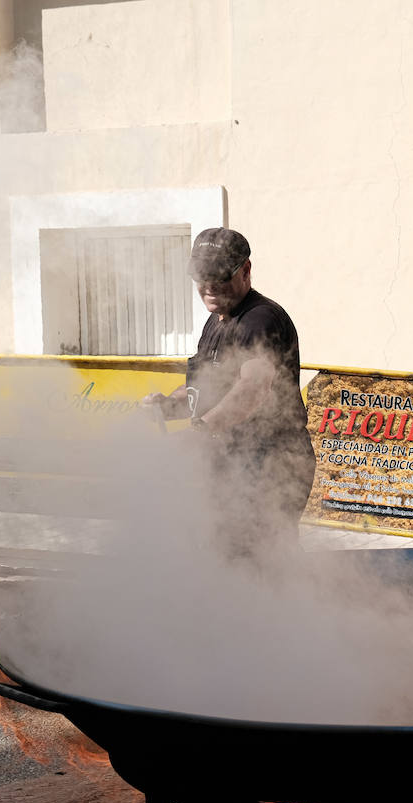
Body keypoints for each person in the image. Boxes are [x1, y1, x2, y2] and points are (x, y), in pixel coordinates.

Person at [142, 227, 316, 559]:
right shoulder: (218, 321)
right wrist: (169, 405)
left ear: (245, 270)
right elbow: (207, 385)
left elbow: (254, 387)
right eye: (201, 276)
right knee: (220, 552)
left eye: (219, 276)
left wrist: (202, 430)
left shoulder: (259, 320)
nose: (208, 285)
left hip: (270, 463)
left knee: (260, 557)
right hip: (229, 462)